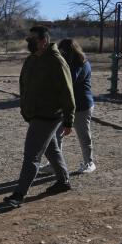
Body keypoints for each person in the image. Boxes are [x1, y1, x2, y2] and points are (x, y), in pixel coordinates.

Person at [4, 26, 76, 209]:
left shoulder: (56, 61)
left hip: (48, 115)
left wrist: (69, 120)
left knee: (31, 155)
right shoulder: (31, 59)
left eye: (32, 40)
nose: (29, 43)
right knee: (51, 150)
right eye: (28, 39)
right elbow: (24, 84)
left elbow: (67, 93)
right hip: (35, 114)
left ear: (43, 41)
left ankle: (19, 195)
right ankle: (64, 181)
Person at [40, 39, 95, 174]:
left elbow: (71, 80)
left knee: (83, 135)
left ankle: (89, 162)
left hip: (82, 106)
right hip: (64, 105)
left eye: (64, 53)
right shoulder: (66, 63)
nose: (62, 55)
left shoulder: (82, 63)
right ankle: (54, 164)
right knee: (56, 135)